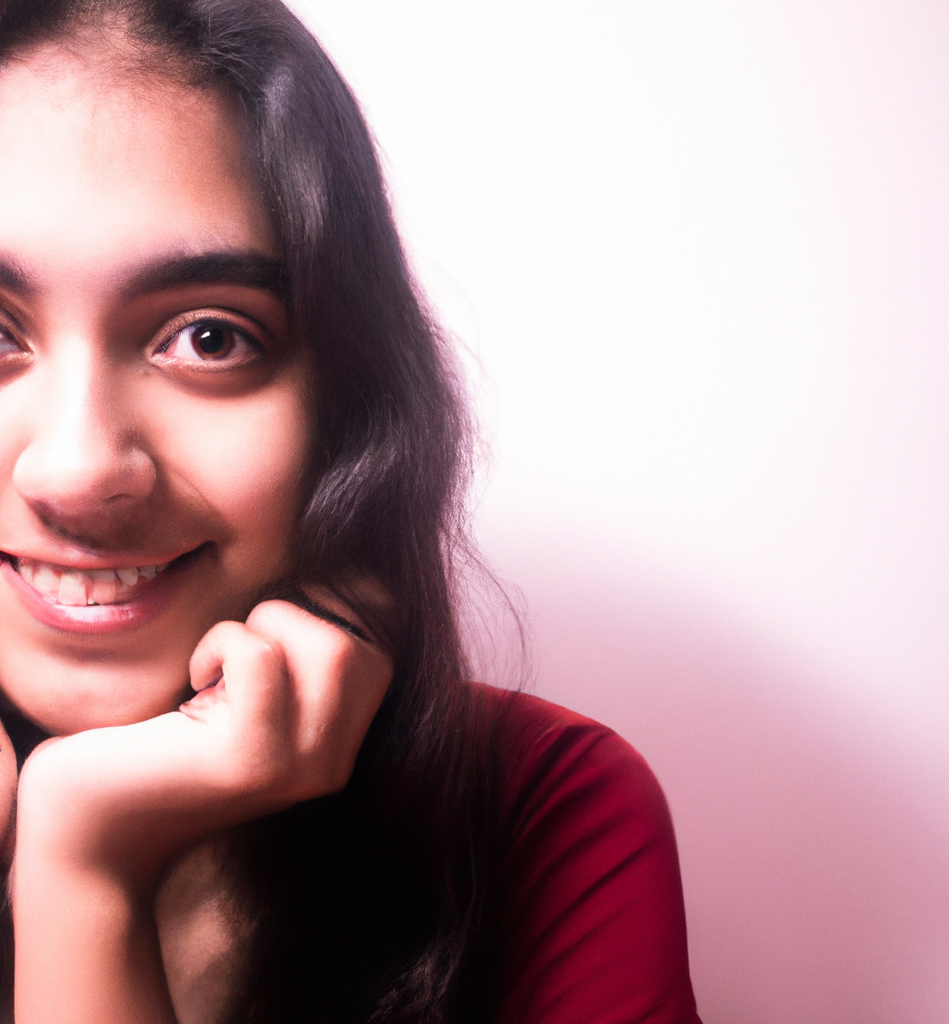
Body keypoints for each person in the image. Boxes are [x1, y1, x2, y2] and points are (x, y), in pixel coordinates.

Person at [0, 1, 703, 1021]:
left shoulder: (540, 814)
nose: (77, 472)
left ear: (349, 399)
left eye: (208, 337)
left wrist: (86, 868)